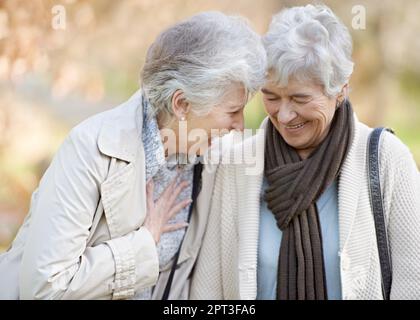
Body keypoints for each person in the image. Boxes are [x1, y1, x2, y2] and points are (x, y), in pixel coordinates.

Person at [0, 11, 266, 299]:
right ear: (181, 104)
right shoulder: (90, 149)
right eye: (232, 111)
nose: (240, 126)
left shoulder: (204, 158)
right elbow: (44, 289)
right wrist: (143, 245)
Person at [190, 4, 420, 300]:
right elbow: (208, 291)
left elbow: (414, 280)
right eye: (271, 97)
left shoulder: (387, 160)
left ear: (340, 91)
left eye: (299, 98)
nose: (284, 115)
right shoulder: (236, 165)